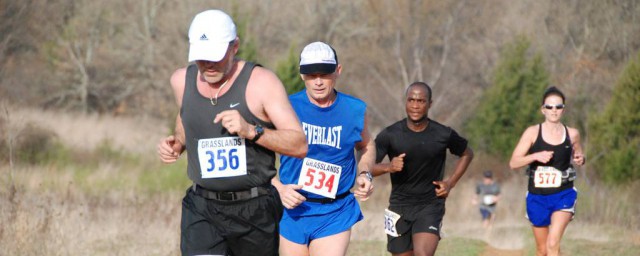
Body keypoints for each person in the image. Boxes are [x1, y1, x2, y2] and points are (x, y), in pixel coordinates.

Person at [156, 9, 307, 256]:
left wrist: (251, 130)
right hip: (202, 207)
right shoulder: (181, 80)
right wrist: (178, 143)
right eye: (202, 57)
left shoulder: (261, 82)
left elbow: (299, 144)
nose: (208, 65)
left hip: (255, 209)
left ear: (234, 46)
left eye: (215, 56)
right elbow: (185, 116)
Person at [272, 41, 375, 256]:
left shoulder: (354, 109)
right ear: (302, 75)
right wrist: (279, 188)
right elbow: (254, 157)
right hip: (292, 210)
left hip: (335, 210)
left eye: (324, 74)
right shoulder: (285, 108)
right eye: (311, 75)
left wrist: (365, 173)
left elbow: (366, 145)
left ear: (338, 71)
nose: (318, 82)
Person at [372, 82, 474, 256]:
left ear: (430, 104)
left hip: (430, 204)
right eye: (411, 100)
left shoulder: (443, 134)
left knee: (423, 254)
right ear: (405, 101)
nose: (415, 106)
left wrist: (450, 183)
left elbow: (467, 153)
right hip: (398, 206)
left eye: (421, 101)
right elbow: (367, 167)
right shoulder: (390, 134)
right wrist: (388, 166)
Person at [509, 86, 585, 256]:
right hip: (537, 196)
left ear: (563, 109)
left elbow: (578, 155)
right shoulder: (532, 132)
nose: (554, 110)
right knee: (542, 250)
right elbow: (514, 162)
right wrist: (535, 156)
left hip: (563, 194)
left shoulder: (572, 134)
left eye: (558, 106)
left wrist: (581, 159)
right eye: (549, 107)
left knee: (552, 244)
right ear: (543, 109)